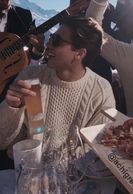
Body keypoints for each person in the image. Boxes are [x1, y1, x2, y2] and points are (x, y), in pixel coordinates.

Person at [0, 16, 115, 166]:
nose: (48, 44)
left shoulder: (101, 92)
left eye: (56, 40)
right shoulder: (30, 76)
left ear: (79, 53)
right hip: (24, 171)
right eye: (51, 37)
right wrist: (11, 108)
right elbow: (3, 142)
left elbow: (95, 150)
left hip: (71, 180)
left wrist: (56, 175)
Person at [0, 0, 45, 169]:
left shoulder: (24, 17)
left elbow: (30, 60)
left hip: (23, 89)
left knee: (32, 139)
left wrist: (36, 52)